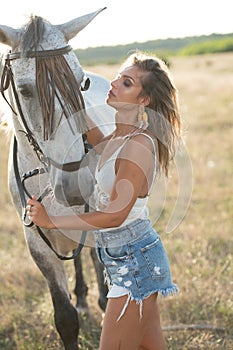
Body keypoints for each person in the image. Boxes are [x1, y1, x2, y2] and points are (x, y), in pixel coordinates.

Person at [27, 51, 181, 350]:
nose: (112, 83)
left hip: (135, 263)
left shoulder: (137, 146)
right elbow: (96, 141)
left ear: (143, 100)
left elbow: (114, 216)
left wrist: (50, 221)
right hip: (125, 259)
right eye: (118, 76)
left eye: (126, 83)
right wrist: (67, 93)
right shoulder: (117, 138)